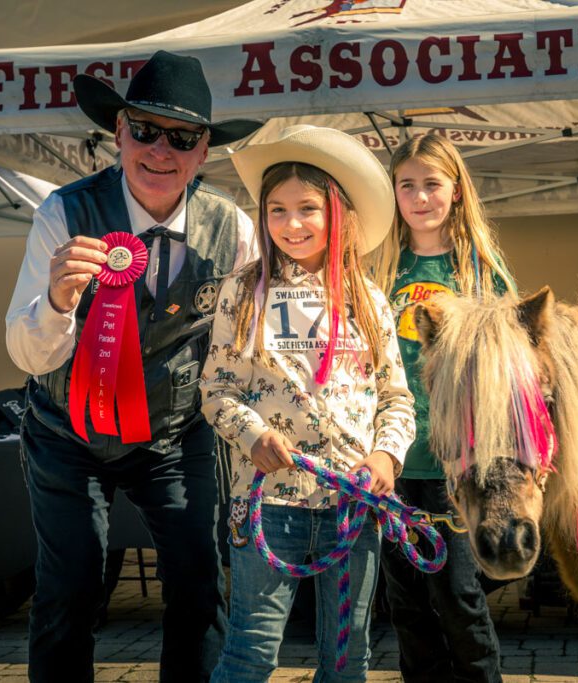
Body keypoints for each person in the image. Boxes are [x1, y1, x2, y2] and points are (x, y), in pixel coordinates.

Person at [4, 50, 263, 683]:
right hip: (68, 432)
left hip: (174, 434)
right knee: (70, 586)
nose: (160, 150)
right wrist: (57, 301)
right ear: (118, 131)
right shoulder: (62, 214)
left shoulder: (233, 228)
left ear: (204, 151)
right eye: (145, 129)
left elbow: (248, 351)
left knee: (200, 584)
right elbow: (26, 354)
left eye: (182, 138)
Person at [201, 124, 415, 683]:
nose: (291, 224)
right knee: (250, 654)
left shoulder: (368, 299)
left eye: (307, 209)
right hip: (269, 502)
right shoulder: (242, 290)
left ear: (335, 212)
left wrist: (386, 456)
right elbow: (216, 389)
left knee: (347, 661)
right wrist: (253, 435)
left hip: (352, 505)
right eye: (277, 210)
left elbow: (396, 398)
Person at [372, 132, 517, 683]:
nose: (419, 197)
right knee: (406, 602)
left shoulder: (481, 271)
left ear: (456, 190)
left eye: (432, 183)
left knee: (458, 597)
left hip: (457, 465)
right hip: (392, 461)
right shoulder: (379, 268)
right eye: (406, 184)